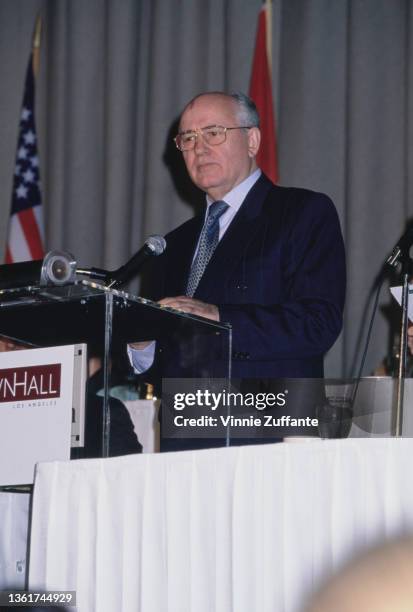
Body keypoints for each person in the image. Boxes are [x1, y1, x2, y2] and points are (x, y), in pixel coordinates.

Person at [129, 91, 346, 448]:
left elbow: (318, 322)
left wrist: (219, 316)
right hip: (187, 441)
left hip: (273, 431)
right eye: (188, 138)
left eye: (213, 132)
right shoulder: (171, 245)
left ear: (253, 140)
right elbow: (170, 362)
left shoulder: (302, 212)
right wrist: (141, 344)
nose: (199, 148)